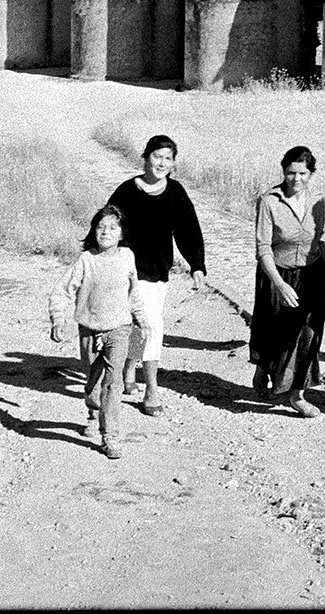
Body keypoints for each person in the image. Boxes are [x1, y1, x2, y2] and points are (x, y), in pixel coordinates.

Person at [105, 134, 206, 417]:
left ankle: (148, 385)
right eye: (157, 156)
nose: (162, 163)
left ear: (173, 164)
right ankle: (135, 374)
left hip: (156, 272)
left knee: (150, 325)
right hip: (124, 270)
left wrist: (197, 265)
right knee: (132, 325)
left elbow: (189, 231)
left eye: (168, 158)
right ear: (145, 156)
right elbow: (108, 225)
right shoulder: (127, 191)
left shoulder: (175, 193)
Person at [49, 204, 145, 459]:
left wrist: (142, 320)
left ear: (122, 233)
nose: (106, 232)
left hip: (119, 328)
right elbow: (63, 291)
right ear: (93, 231)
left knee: (112, 384)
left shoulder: (127, 257)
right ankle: (93, 411)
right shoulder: (86, 260)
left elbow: (134, 292)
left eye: (113, 227)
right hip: (89, 328)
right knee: (92, 382)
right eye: (101, 227)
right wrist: (58, 319)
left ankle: (110, 436)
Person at [249, 145, 325, 417]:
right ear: (283, 172)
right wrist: (280, 285)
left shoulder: (318, 200)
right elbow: (263, 249)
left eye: (302, 173)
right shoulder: (269, 201)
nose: (296, 179)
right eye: (290, 173)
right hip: (277, 273)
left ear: (311, 174)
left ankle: (297, 394)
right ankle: (263, 368)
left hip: (311, 273)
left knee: (308, 332)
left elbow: (319, 240)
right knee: (275, 331)